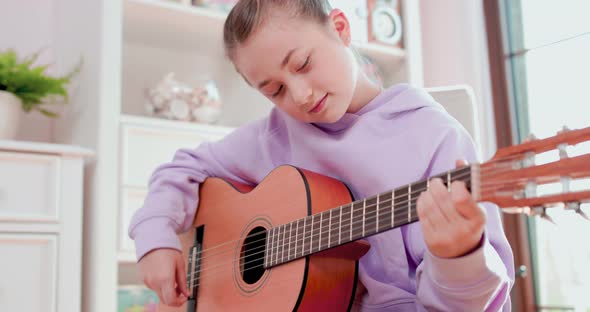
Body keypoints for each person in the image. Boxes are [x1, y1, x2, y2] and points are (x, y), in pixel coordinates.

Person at [128, 0, 515, 310]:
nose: (300, 95)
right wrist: (156, 237)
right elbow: (183, 166)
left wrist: (459, 256)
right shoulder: (274, 135)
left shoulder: (434, 137)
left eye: (303, 64)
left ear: (341, 29)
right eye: (274, 90)